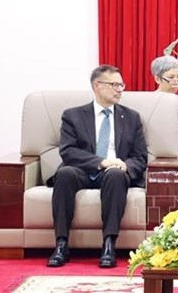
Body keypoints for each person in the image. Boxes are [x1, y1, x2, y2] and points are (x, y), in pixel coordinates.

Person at [47, 65, 148, 268]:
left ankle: (109, 244)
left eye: (121, 84)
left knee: (115, 175)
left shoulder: (131, 117)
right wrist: (100, 162)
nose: (120, 89)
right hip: (83, 170)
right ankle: (61, 244)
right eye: (114, 84)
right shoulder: (73, 115)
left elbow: (140, 156)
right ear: (97, 85)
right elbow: (67, 151)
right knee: (65, 173)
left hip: (115, 172)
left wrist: (123, 166)